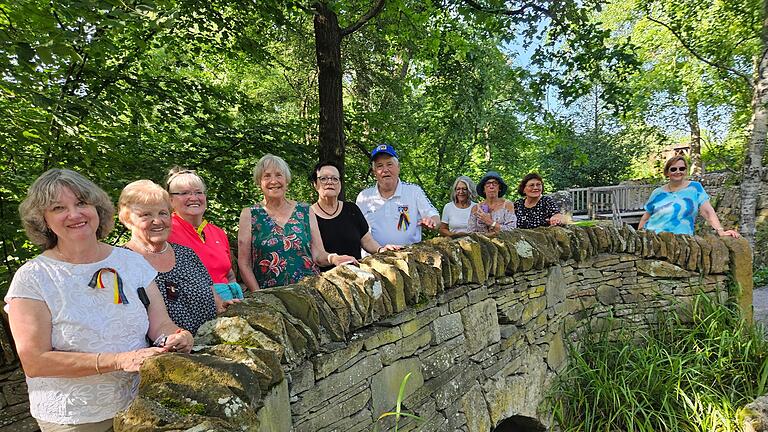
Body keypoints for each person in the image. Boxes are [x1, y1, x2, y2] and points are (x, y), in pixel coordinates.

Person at [5, 169, 193, 432]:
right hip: (75, 418)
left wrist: (176, 336)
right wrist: (118, 360)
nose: (74, 214)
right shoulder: (33, 278)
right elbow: (35, 361)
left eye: (82, 203)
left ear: (97, 208)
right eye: (59, 208)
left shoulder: (131, 262)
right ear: (44, 220)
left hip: (140, 406)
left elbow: (160, 323)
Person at [238, 154, 357, 290]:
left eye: (278, 175)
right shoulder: (250, 214)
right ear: (259, 181)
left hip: (308, 292)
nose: (273, 181)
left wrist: (334, 258)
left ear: (287, 180)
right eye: (267, 176)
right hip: (270, 297)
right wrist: (259, 295)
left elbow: (318, 255)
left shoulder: (305, 210)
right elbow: (244, 264)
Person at [119, 180, 220, 335]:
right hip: (160, 354)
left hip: (209, 347)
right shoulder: (121, 262)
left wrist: (225, 305)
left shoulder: (187, 255)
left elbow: (215, 301)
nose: (158, 221)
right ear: (127, 220)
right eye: (146, 215)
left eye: (163, 213)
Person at [166, 167, 243, 301]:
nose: (193, 198)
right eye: (184, 193)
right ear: (170, 200)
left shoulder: (218, 232)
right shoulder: (165, 231)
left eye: (198, 192)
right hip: (188, 307)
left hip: (228, 304)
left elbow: (229, 274)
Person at [310, 161, 400, 271]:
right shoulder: (308, 215)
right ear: (315, 184)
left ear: (340, 184)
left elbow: (367, 241)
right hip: (325, 281)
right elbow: (317, 256)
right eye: (323, 178)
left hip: (356, 278)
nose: (330, 182)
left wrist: (381, 249)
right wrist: (334, 259)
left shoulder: (351, 209)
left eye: (335, 179)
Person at [356, 144, 440, 246]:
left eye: (389, 164)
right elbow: (356, 230)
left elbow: (435, 217)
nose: (385, 169)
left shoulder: (414, 191)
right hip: (373, 258)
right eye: (380, 166)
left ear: (398, 167)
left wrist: (432, 222)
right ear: (374, 172)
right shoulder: (364, 197)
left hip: (408, 257)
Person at [638, 156, 740, 237]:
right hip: (654, 239)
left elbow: (707, 212)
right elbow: (646, 218)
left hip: (683, 241)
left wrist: (721, 231)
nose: (678, 172)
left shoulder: (695, 188)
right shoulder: (657, 192)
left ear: (686, 171)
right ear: (667, 172)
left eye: (681, 168)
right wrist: (639, 236)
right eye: (673, 169)